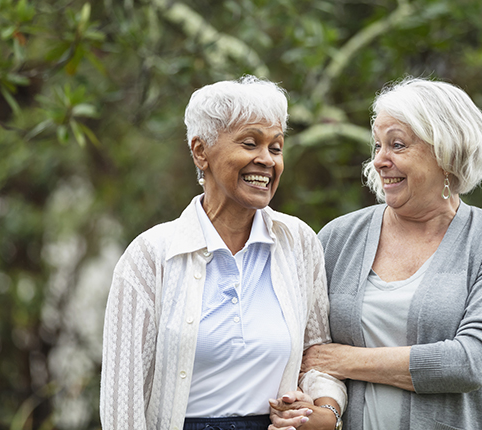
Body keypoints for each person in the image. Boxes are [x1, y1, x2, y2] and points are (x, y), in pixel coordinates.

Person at [270, 77, 482, 430]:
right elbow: (307, 353)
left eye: (397, 145)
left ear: (446, 153)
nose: (381, 160)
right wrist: (316, 407)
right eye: (377, 145)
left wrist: (346, 360)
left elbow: (476, 360)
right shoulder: (337, 238)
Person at [100, 76, 345, 430]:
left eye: (276, 148)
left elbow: (317, 356)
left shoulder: (299, 243)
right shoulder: (151, 256)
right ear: (201, 152)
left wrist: (324, 411)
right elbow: (121, 405)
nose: (266, 160)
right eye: (250, 143)